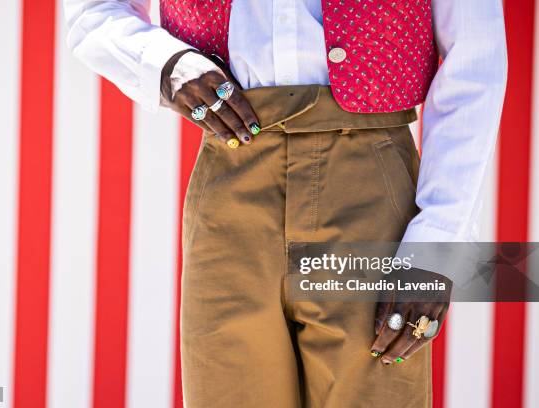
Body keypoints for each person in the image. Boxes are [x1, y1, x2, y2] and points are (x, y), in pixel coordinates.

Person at [63, 1, 507, 406]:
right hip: (231, 182)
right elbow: (93, 10)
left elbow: (475, 58)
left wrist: (437, 246)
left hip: (369, 185)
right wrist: (164, 64)